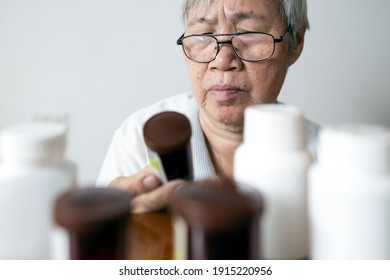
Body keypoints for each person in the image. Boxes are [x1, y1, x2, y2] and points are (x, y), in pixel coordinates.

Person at [97, 0, 319, 213]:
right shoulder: (138, 141)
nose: (222, 61)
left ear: (295, 42)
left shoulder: (326, 160)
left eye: (248, 33)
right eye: (204, 35)